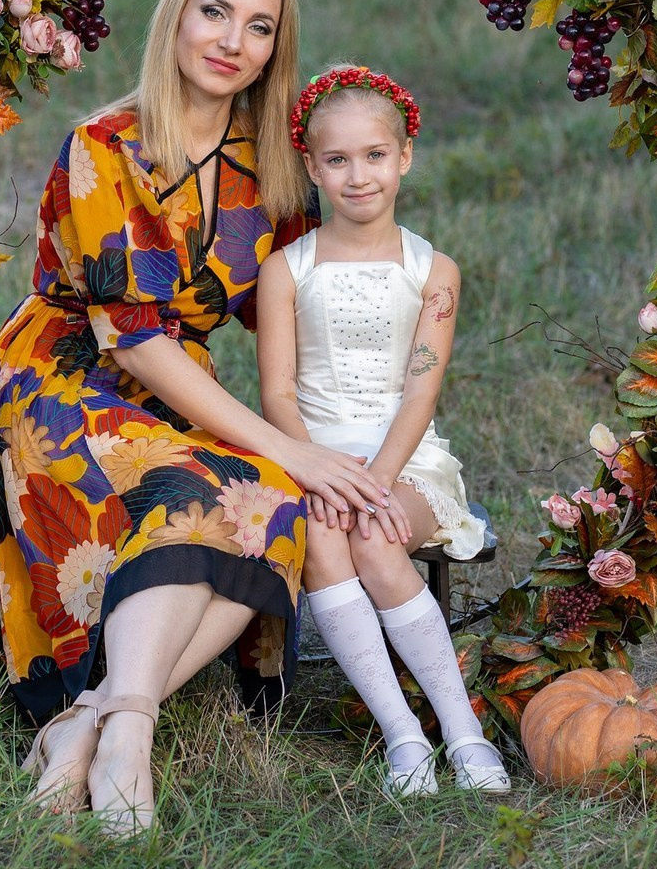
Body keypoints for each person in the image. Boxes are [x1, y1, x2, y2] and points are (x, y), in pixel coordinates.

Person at [0, 0, 391, 832]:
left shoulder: (272, 164)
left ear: (277, 49)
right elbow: (133, 339)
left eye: (260, 25)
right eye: (215, 11)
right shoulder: (105, 146)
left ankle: (100, 721)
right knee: (230, 480)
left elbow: (302, 310)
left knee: (273, 496)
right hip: (62, 370)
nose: (232, 39)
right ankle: (126, 730)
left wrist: (373, 412)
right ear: (176, 14)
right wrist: (284, 446)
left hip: (175, 385)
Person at [256, 64, 511, 796]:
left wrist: (374, 479)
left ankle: (462, 731)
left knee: (373, 529)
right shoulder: (288, 270)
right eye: (337, 160)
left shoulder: (434, 271)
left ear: (405, 156)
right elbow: (277, 390)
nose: (358, 176)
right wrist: (314, 467)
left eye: (375, 156)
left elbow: (419, 392)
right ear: (312, 166)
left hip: (407, 456)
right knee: (328, 539)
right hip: (311, 454)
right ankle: (403, 736)